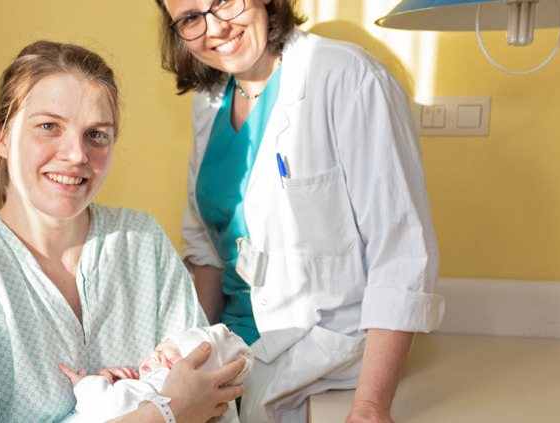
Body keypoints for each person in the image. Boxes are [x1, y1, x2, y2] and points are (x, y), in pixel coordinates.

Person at [0, 40, 245, 422]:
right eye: (49, 127)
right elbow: (189, 406)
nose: (77, 154)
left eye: (96, 134)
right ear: (1, 136)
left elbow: (213, 397)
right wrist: (167, 413)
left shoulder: (142, 244)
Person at [152, 0, 446, 422]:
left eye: (224, 1)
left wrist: (370, 407)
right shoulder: (211, 96)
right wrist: (192, 351)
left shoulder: (347, 77)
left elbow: (400, 255)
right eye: (191, 18)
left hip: (323, 343)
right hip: (231, 338)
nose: (214, 28)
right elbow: (207, 251)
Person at [59, 324, 254, 422]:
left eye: (169, 361)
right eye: (158, 349)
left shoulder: (155, 387)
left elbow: (104, 406)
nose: (155, 356)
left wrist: (89, 383)